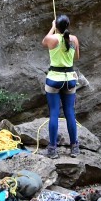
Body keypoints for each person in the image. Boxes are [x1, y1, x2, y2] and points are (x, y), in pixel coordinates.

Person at [42, 14, 80, 158]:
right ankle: (74, 147)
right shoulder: (74, 39)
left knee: (54, 113)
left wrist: (52, 28)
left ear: (57, 26)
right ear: (68, 25)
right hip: (70, 79)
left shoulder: (52, 39)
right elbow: (76, 57)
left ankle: (52, 149)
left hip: (54, 79)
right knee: (70, 112)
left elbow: (43, 41)